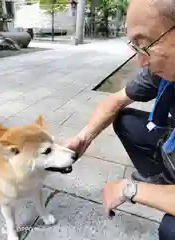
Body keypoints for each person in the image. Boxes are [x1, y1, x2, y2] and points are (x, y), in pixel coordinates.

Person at [63, 0, 175, 239]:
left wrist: (131, 189)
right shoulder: (162, 72)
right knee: (124, 119)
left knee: (170, 230)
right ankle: (162, 180)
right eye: (135, 47)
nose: (141, 62)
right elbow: (115, 100)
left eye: (145, 44)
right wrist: (83, 138)